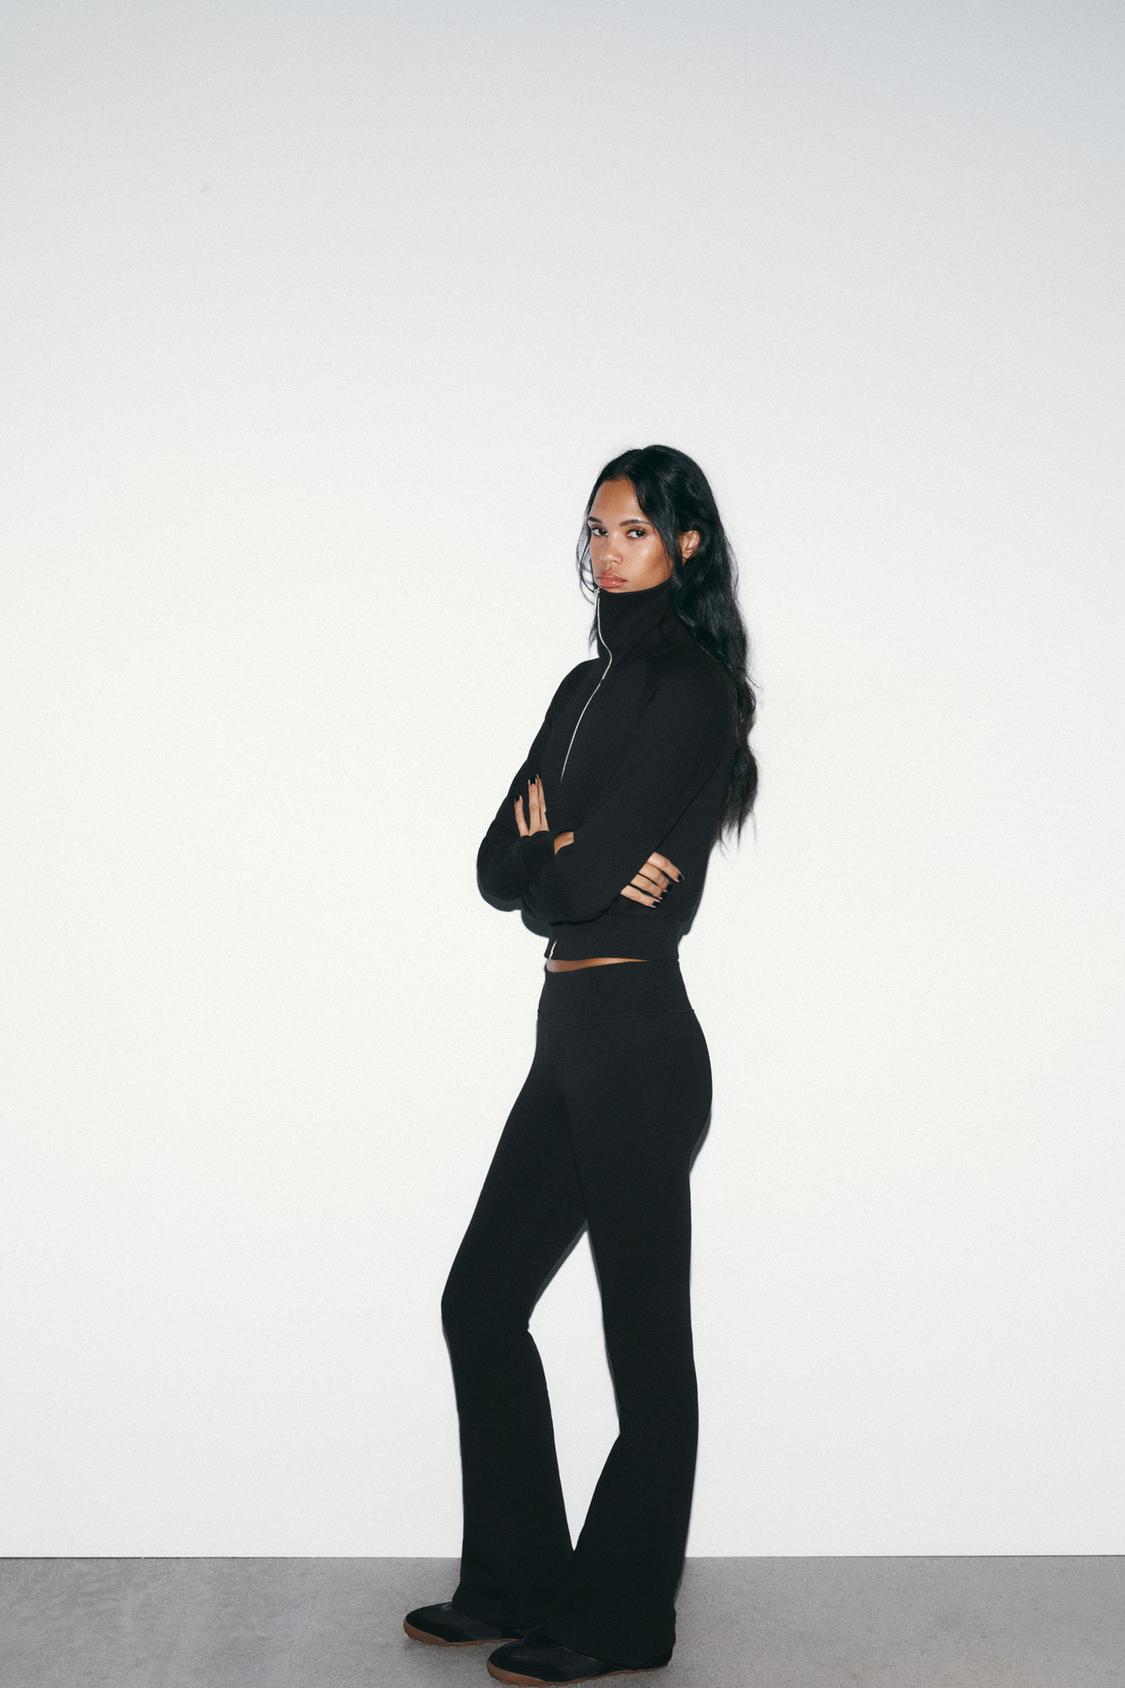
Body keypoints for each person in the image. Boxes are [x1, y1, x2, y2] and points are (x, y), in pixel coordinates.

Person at [404, 444, 759, 1684]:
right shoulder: (581, 686)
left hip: (642, 1046)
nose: (609, 550)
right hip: (567, 1037)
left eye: (635, 532)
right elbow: (499, 872)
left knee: (643, 1347)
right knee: (480, 1302)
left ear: (686, 545)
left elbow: (568, 875)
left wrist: (560, 856)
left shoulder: (693, 688)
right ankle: (515, 1579)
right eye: (598, 530)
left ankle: (622, 1619)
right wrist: (564, 860)